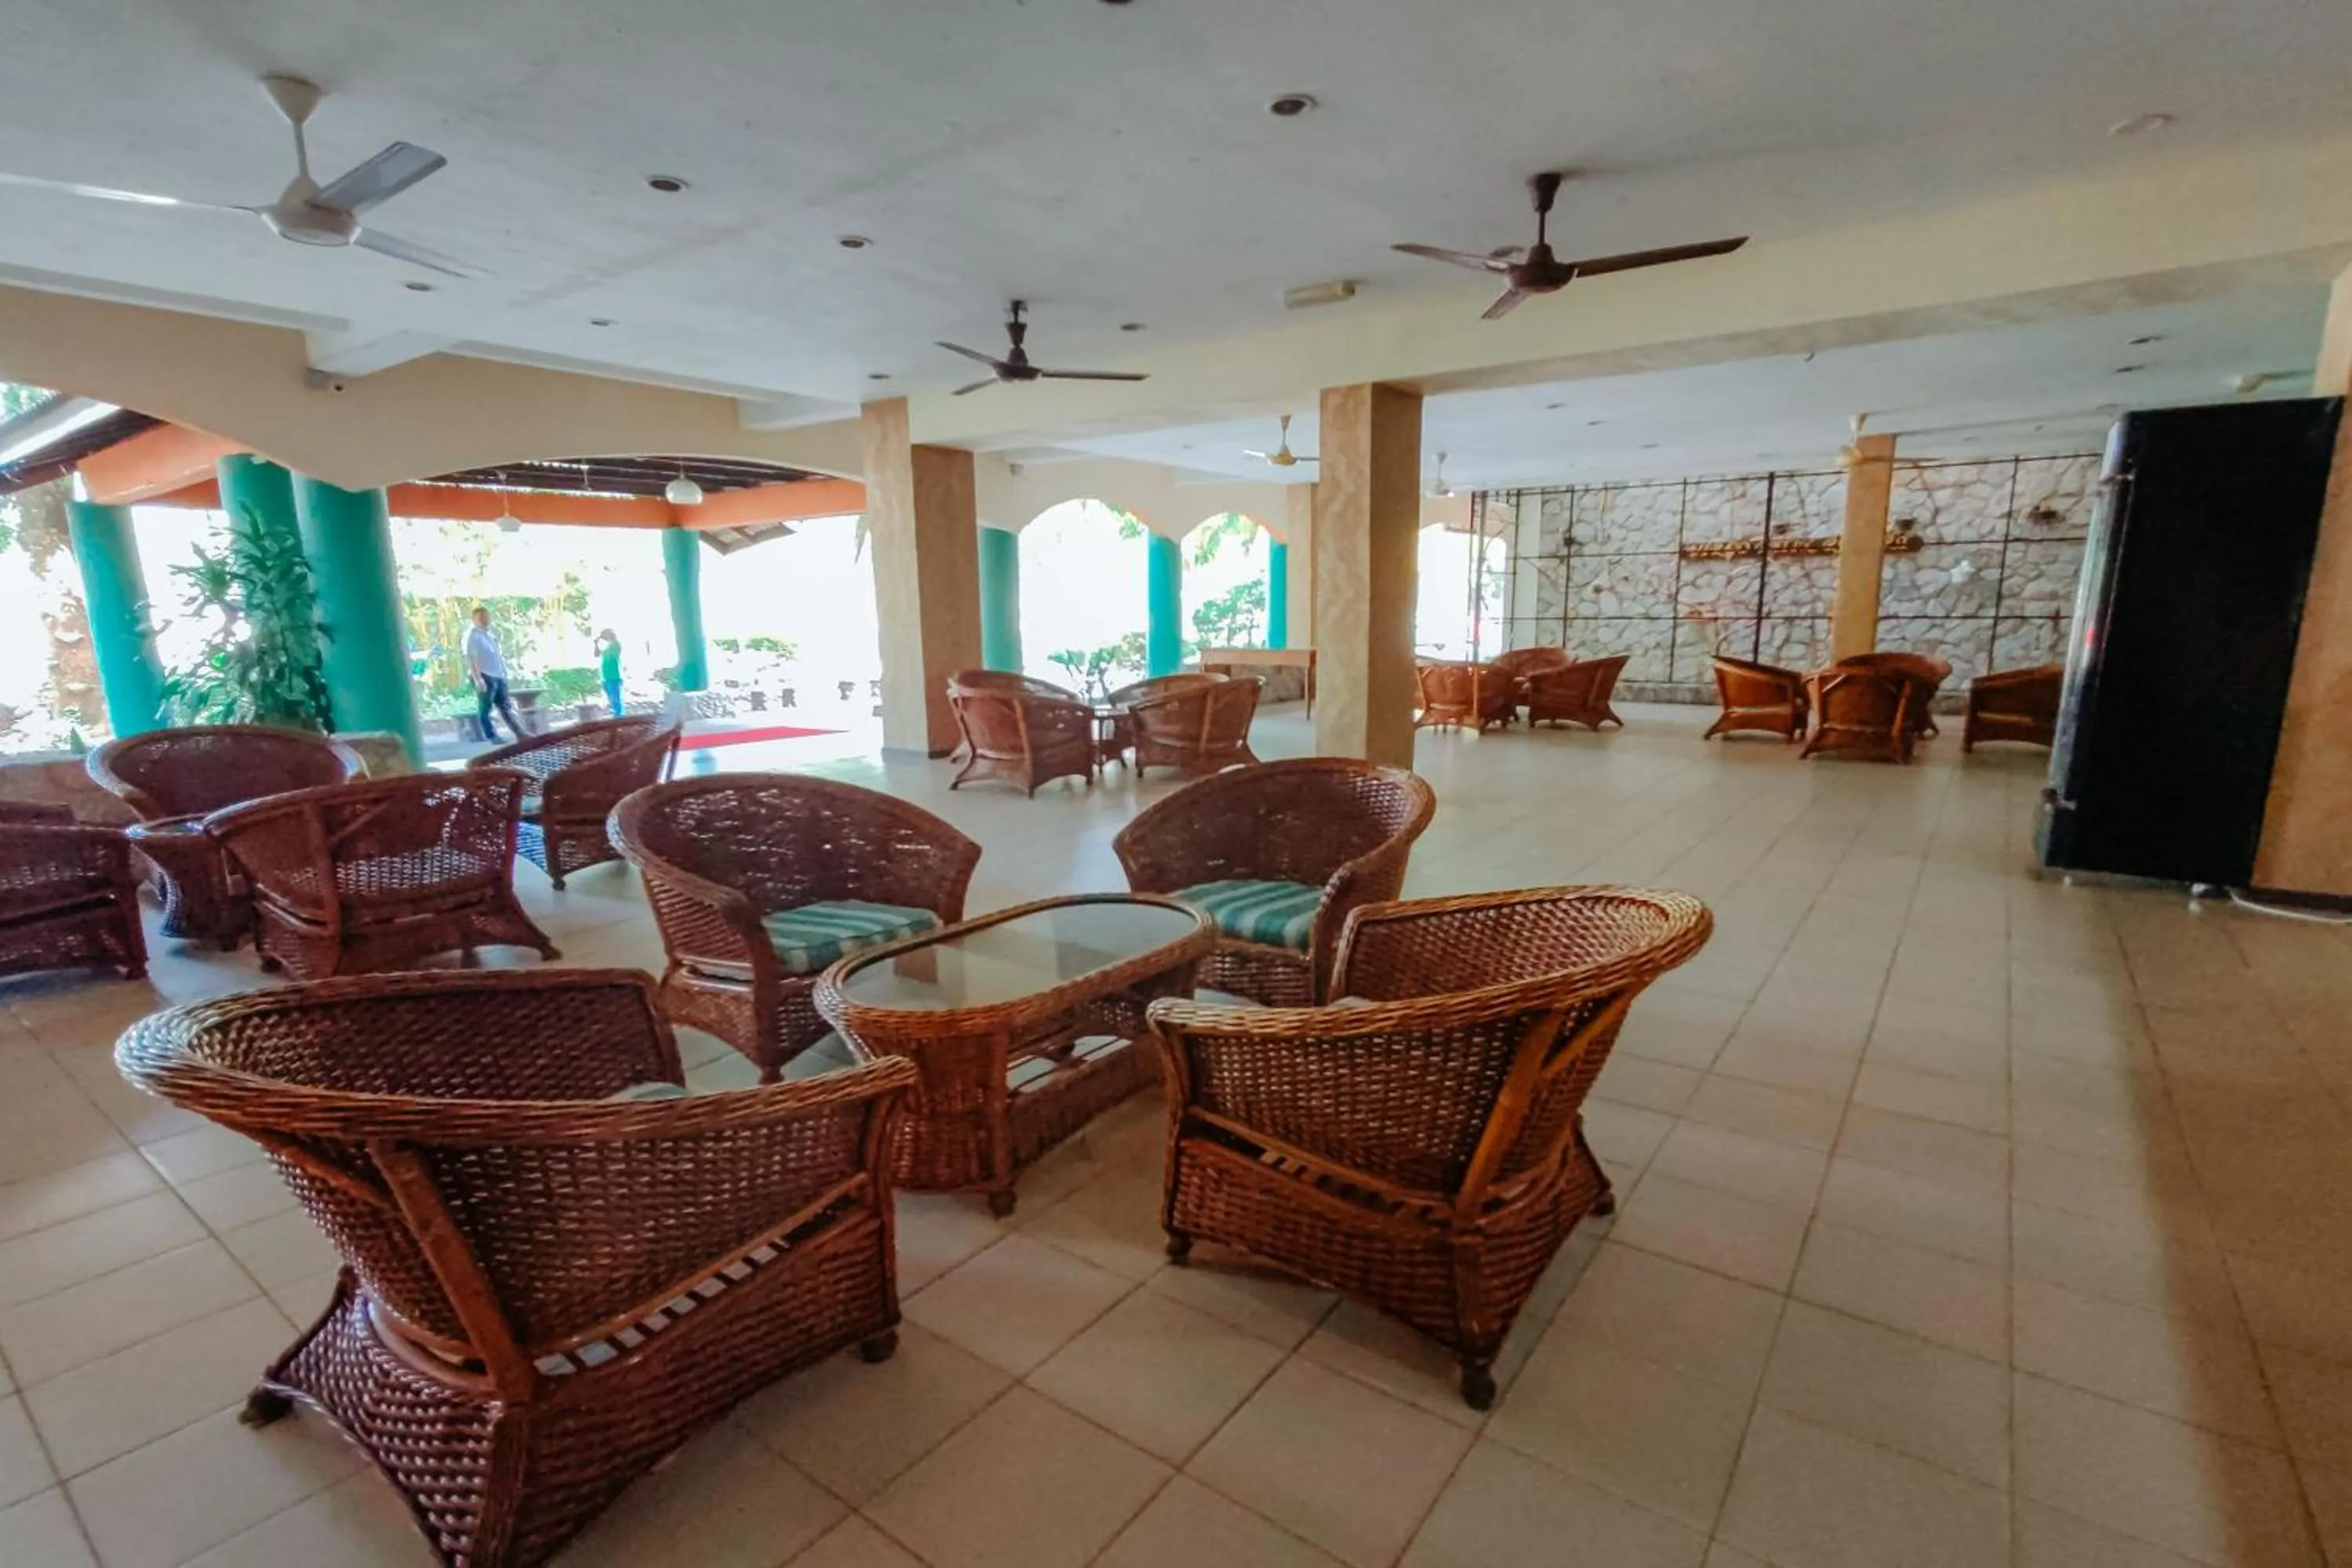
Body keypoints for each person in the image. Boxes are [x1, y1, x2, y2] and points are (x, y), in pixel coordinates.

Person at [463, 606, 524, 742]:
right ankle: (491, 736)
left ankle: (519, 733)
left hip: (498, 675)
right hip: (485, 676)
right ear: (474, 619)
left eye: (486, 617)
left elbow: (496, 656)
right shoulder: (472, 635)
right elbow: (470, 658)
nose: (485, 620)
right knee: (486, 707)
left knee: (505, 706)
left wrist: (503, 673)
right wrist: (478, 679)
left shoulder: (490, 635)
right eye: (481, 618)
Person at [596, 629, 625, 718]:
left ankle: (619, 718)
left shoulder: (616, 645)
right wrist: (596, 644)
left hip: (614, 676)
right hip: (606, 677)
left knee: (616, 700)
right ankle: (617, 717)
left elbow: (611, 658)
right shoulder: (608, 647)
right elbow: (596, 654)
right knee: (612, 700)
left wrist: (603, 651)